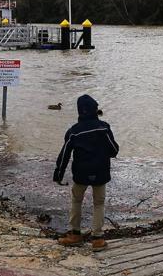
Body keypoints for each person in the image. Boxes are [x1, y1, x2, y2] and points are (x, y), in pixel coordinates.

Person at [53, 94, 119, 250]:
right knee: (99, 203)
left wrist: (58, 174)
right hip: (101, 172)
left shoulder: (73, 131)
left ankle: (75, 233)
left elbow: (64, 155)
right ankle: (97, 238)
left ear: (79, 111)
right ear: (95, 110)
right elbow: (114, 150)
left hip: (81, 173)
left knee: (76, 200)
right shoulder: (104, 127)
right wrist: (104, 154)